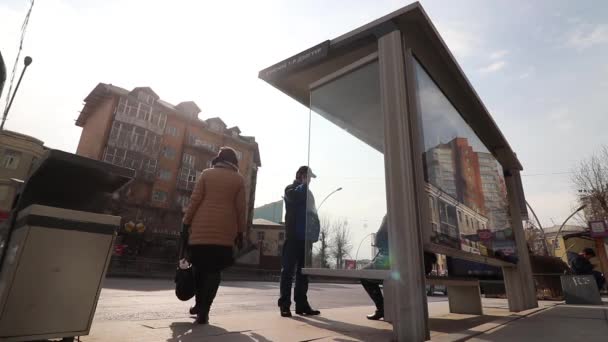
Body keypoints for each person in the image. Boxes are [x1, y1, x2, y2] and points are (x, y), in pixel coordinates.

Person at [182, 147, 246, 324]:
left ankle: (198, 303)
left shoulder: (206, 174)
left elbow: (195, 200)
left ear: (219, 159)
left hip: (201, 231)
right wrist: (241, 232)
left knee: (199, 268)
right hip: (224, 234)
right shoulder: (238, 180)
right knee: (214, 271)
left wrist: (186, 222)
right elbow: (241, 210)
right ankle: (204, 310)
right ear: (234, 162)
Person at [360, 215, 437, 320]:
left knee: (363, 274)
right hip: (424, 263)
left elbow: (380, 239)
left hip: (403, 262)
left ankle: (382, 309)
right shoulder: (421, 215)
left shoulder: (396, 211)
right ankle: (407, 310)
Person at [278, 166, 321, 317]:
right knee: (288, 272)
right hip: (293, 237)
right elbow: (294, 198)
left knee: (303, 273)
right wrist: (303, 184)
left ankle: (302, 305)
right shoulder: (291, 188)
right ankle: (284, 305)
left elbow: (312, 212)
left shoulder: (307, 192)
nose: (310, 180)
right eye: (308, 177)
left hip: (306, 239)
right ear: (301, 176)